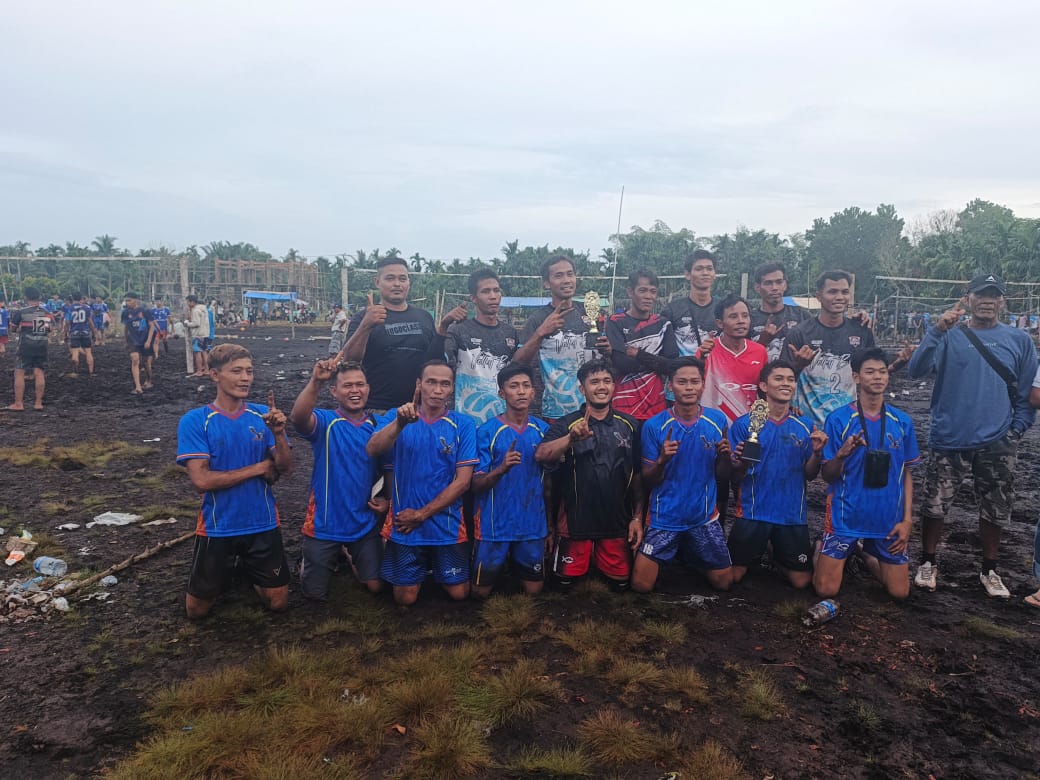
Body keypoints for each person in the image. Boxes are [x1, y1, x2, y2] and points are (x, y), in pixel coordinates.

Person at [907, 275, 1037, 598]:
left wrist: (1017, 430)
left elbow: (1026, 392)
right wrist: (936, 330)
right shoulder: (949, 335)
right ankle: (928, 562)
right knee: (935, 504)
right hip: (950, 436)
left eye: (994, 295)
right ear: (968, 299)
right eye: (981, 294)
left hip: (999, 439)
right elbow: (915, 370)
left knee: (996, 508)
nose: (987, 301)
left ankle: (989, 569)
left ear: (1002, 301)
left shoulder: (1019, 340)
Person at [175, 344, 292, 618]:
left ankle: (245, 569)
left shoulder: (263, 416)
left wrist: (278, 434)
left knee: (278, 603)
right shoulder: (196, 421)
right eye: (236, 371)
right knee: (196, 611)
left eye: (249, 371)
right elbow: (201, 480)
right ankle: (231, 570)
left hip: (262, 522)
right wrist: (259, 468)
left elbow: (284, 467)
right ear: (215, 375)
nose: (245, 378)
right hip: (218, 525)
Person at [365, 360, 477, 605]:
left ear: (452, 388)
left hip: (446, 522)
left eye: (444, 384)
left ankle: (434, 566)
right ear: (419, 384)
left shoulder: (463, 424)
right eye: (431, 382)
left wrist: (421, 514)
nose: (437, 390)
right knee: (405, 598)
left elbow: (463, 483)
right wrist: (399, 424)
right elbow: (373, 449)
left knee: (459, 594)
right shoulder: (396, 416)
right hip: (405, 522)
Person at [815, 348, 920, 600]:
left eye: (882, 372)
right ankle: (822, 547)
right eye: (870, 372)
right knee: (825, 590)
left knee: (899, 592)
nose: (878, 377)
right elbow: (827, 476)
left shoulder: (902, 421)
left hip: (887, 518)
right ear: (856, 377)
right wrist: (841, 455)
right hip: (846, 516)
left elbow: (906, 472)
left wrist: (907, 520)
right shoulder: (838, 420)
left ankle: (863, 551)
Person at [534, 360, 643, 591]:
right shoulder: (566, 424)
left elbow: (638, 476)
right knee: (564, 585)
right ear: (582, 389)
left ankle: (600, 558)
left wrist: (637, 517)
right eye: (594, 382)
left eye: (607, 381)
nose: (601, 386)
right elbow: (541, 455)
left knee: (620, 585)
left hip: (616, 521)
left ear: (614, 386)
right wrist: (570, 438)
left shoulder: (630, 424)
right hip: (575, 522)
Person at [631, 358, 734, 593]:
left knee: (724, 582)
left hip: (703, 518)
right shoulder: (654, 426)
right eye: (682, 382)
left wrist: (724, 457)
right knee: (641, 586)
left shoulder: (717, 420)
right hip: (664, 518)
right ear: (670, 386)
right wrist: (661, 461)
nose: (689, 387)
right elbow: (648, 480)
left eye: (694, 382)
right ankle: (677, 551)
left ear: (703, 385)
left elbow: (722, 475)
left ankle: (689, 553)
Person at [289, 358, 388, 600]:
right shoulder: (325, 421)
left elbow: (388, 469)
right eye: (347, 385)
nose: (355, 390)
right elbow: (299, 418)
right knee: (314, 594)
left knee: (376, 586)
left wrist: (386, 499)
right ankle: (308, 561)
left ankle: (349, 552)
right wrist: (316, 381)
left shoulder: (379, 426)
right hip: (324, 522)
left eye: (360, 384)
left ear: (368, 388)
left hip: (364, 522)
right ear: (334, 391)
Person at [727, 360, 826, 588]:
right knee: (731, 577)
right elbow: (736, 473)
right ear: (764, 385)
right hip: (753, 512)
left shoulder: (805, 425)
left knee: (801, 582)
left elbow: (810, 475)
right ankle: (762, 549)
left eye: (790, 379)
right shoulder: (744, 424)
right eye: (779, 378)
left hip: (790, 514)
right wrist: (740, 461)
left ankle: (774, 554)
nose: (786, 383)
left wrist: (817, 454)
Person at [470, 364, 551, 597]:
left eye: (526, 386)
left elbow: (549, 483)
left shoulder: (543, 430)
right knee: (478, 594)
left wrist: (550, 524)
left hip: (532, 525)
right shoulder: (486, 431)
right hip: (494, 525)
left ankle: (515, 569)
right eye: (514, 386)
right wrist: (501, 469)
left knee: (534, 591)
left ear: (533, 392)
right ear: (501, 393)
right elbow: (475, 485)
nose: (521, 391)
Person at [343, 257, 463, 414]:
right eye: (390, 278)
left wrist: (443, 327)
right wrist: (366, 325)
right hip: (378, 409)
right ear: (377, 282)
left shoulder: (424, 317)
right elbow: (350, 360)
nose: (397, 284)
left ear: (408, 282)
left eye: (402, 278)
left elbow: (433, 360)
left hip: (418, 409)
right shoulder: (363, 318)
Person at [516, 254, 610, 421]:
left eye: (570, 274)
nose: (566, 280)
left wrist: (609, 350)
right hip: (556, 411)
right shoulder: (538, 319)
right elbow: (517, 363)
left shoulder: (591, 312)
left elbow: (607, 359)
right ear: (547, 283)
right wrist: (541, 333)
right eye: (559, 275)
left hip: (594, 409)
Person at [785, 270, 875, 426]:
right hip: (808, 425)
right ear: (819, 296)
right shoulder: (799, 333)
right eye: (832, 292)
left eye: (844, 292)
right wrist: (798, 365)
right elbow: (780, 376)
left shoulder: (861, 331)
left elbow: (874, 373)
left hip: (847, 424)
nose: (839, 297)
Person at [445, 269, 519, 424]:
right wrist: (443, 325)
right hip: (468, 419)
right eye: (486, 291)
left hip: (501, 421)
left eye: (496, 290)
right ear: (473, 298)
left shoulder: (510, 333)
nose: (493, 296)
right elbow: (441, 362)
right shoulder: (459, 330)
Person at [605, 269, 679, 420]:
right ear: (630, 292)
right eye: (643, 290)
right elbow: (621, 363)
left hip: (656, 407)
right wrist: (656, 361)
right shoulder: (615, 322)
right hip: (623, 406)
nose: (648, 296)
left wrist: (639, 354)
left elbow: (671, 366)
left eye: (653, 291)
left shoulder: (663, 324)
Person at [699, 294, 768, 422]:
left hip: (748, 426)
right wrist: (701, 358)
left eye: (745, 316)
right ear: (720, 323)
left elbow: (765, 393)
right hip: (714, 424)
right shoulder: (707, 350)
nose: (741, 321)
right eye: (733, 316)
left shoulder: (760, 351)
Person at [749, 263, 813, 361]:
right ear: (757, 287)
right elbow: (741, 358)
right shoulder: (748, 320)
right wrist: (762, 342)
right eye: (768, 283)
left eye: (779, 282)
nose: (774, 288)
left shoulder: (802, 316)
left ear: (785, 285)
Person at [8, 286, 53, 411]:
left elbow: (12, 329)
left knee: (19, 371)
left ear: (26, 298)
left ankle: (18, 404)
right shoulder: (46, 312)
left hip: (26, 346)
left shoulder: (21, 312)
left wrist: (20, 328)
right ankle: (38, 403)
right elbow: (49, 329)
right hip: (42, 345)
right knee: (39, 372)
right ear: (39, 297)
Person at [122, 292, 156, 394]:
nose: (127, 303)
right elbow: (126, 327)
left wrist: (149, 341)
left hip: (144, 339)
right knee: (135, 359)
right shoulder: (125, 312)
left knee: (146, 362)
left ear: (135, 300)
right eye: (126, 301)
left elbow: (152, 326)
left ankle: (149, 380)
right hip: (133, 340)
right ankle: (138, 387)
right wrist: (126, 340)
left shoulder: (144, 311)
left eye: (129, 300)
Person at [67, 292, 99, 376]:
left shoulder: (70, 308)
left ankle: (75, 371)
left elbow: (67, 322)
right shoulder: (86, 308)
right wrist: (94, 333)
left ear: (72, 298)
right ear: (81, 298)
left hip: (74, 332)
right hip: (85, 332)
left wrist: (66, 333)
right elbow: (90, 322)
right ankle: (91, 372)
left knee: (75, 352)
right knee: (88, 352)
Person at [185, 294, 211, 377]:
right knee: (204, 352)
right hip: (205, 333)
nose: (187, 304)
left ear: (192, 302)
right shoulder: (204, 309)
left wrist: (187, 323)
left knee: (197, 353)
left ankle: (199, 371)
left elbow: (196, 323)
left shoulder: (195, 310)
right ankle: (207, 370)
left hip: (198, 334)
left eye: (188, 302)